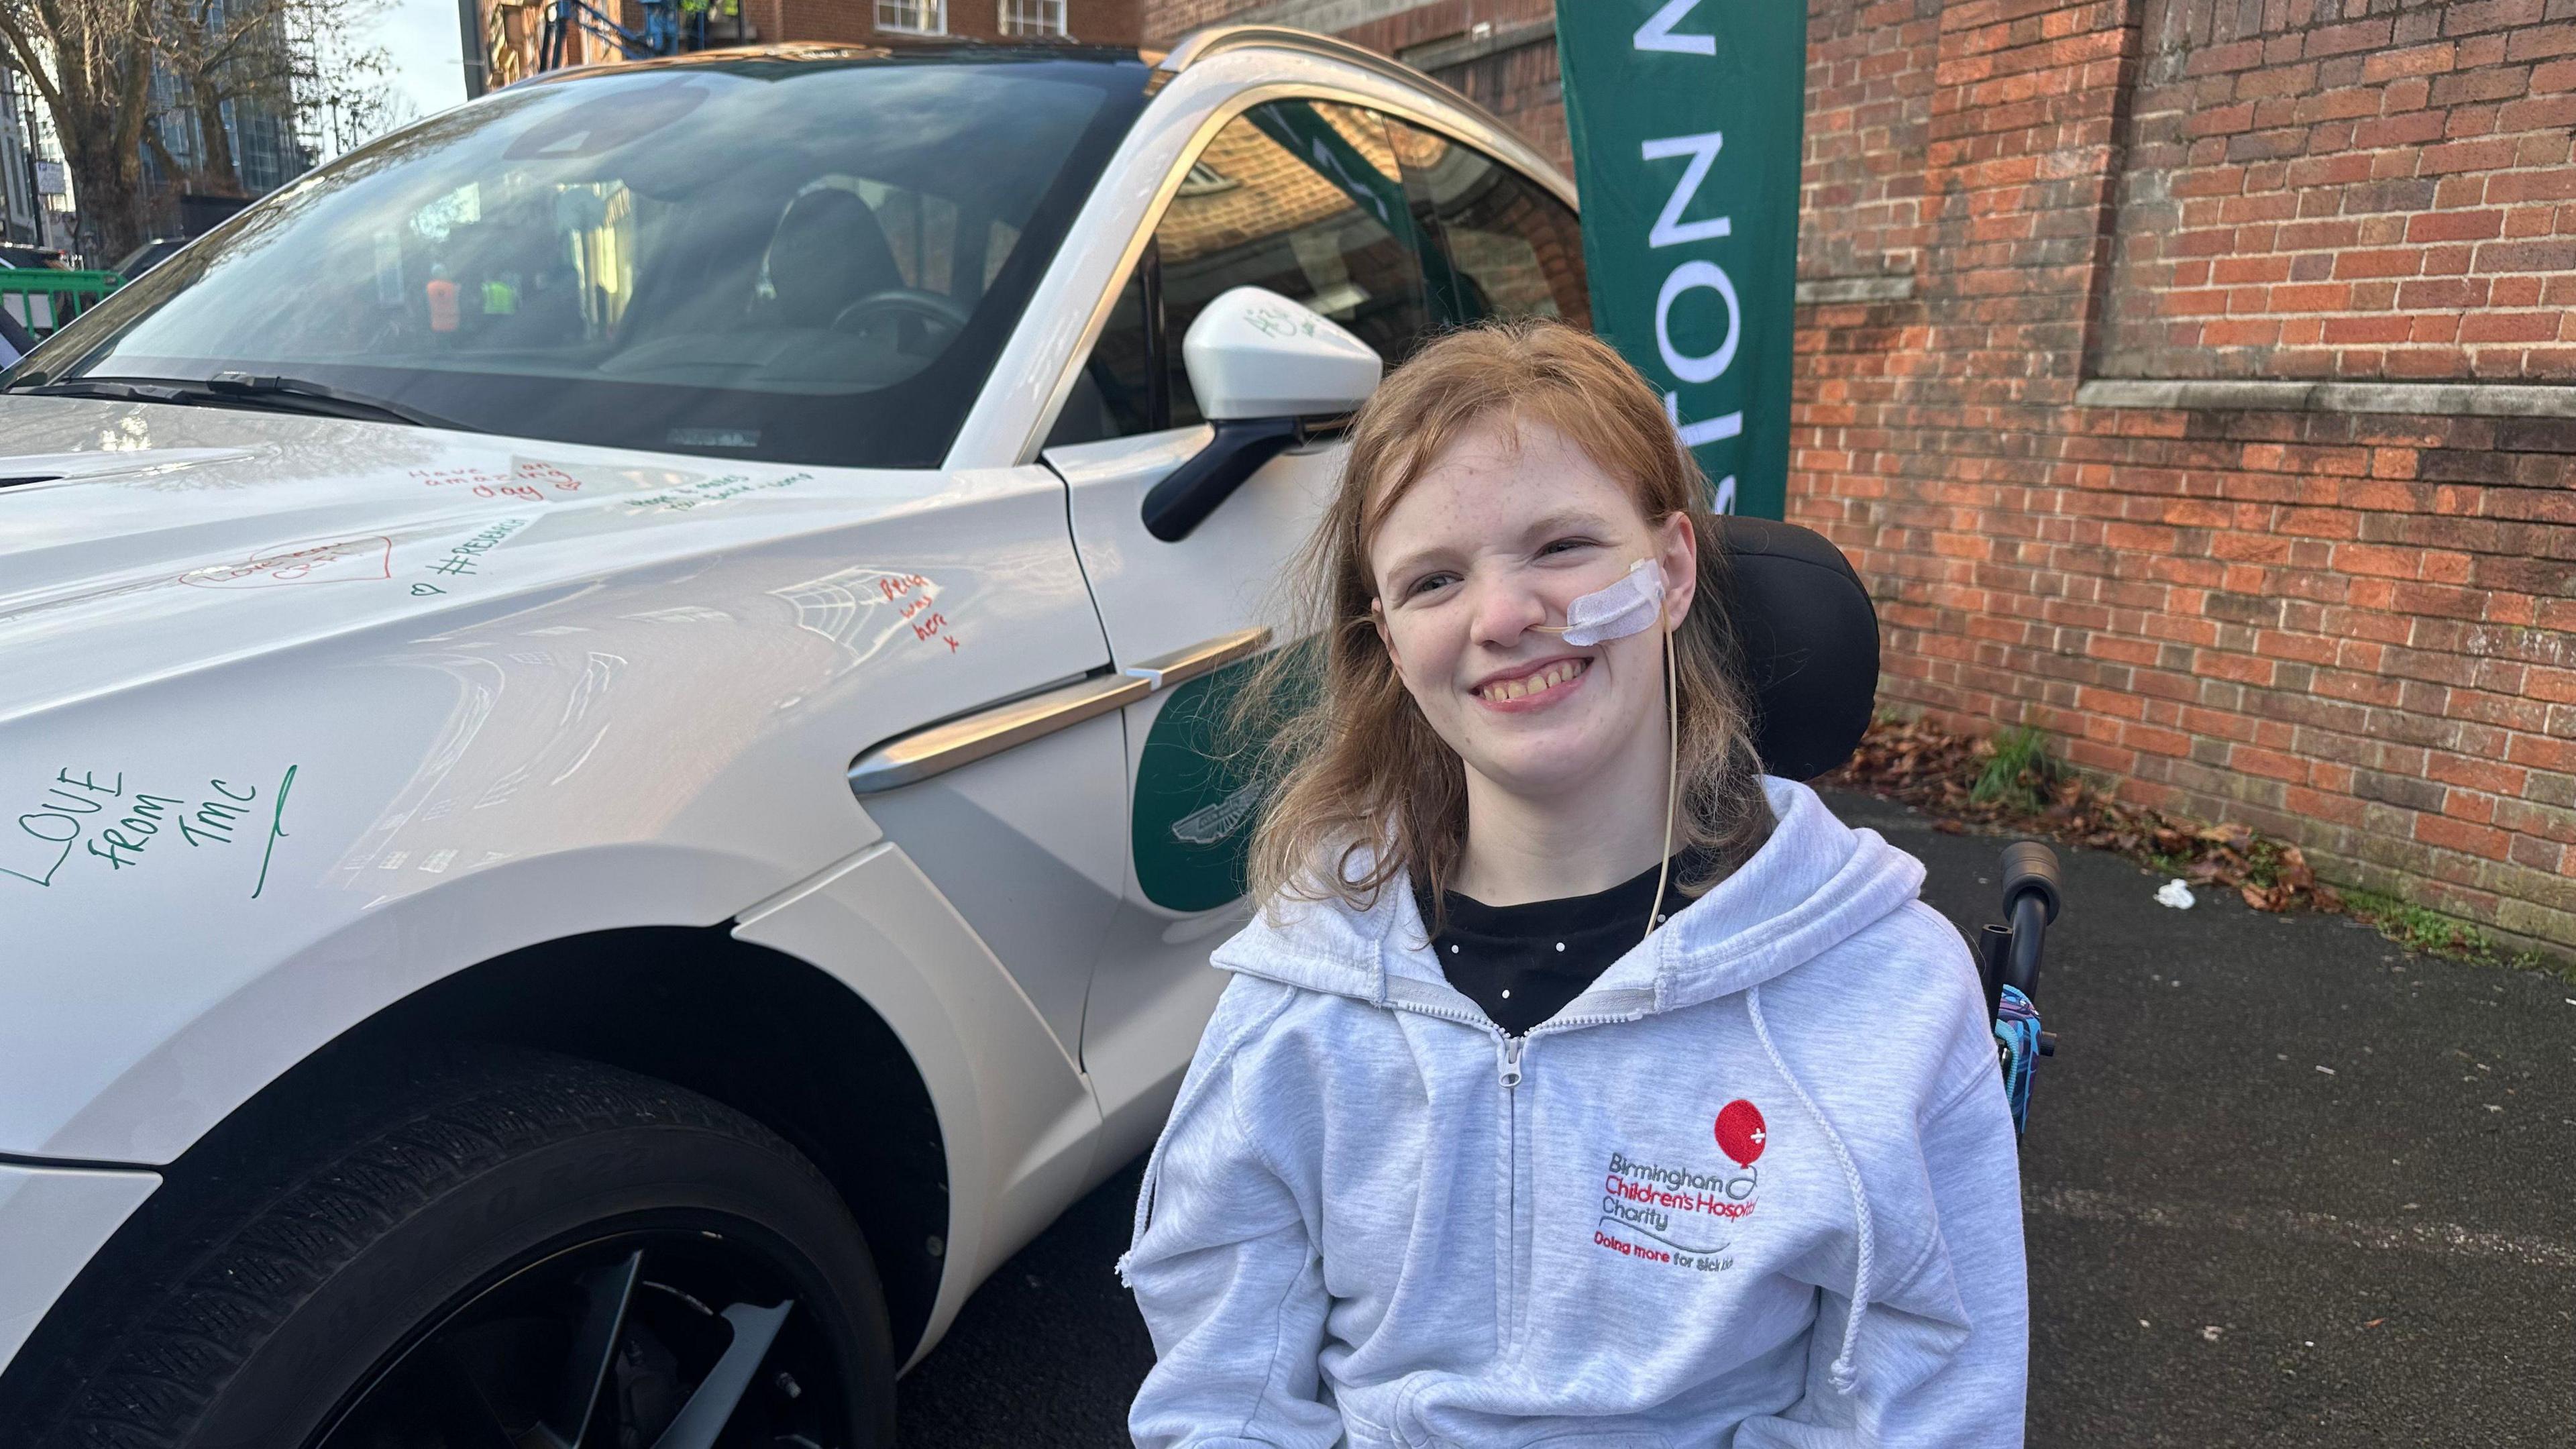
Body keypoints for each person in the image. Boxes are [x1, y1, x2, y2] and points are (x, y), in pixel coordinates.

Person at [1118, 319, 2028, 1446]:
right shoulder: (1298, 1001)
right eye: (1435, 579)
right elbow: (1222, 1401)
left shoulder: (1886, 993)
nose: (1503, 617)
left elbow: (1928, 1406)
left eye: (1560, 548)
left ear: (1673, 571)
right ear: (1394, 646)